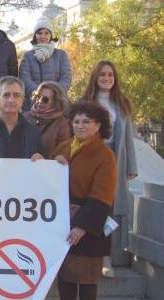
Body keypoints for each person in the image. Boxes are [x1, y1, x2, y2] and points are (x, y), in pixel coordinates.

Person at [52, 101, 117, 300]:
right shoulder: (62, 148)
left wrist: (82, 226)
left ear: (98, 125)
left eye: (86, 122)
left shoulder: (105, 155)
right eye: (76, 121)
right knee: (66, 282)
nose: (80, 125)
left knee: (87, 283)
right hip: (63, 223)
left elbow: (102, 194)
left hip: (89, 226)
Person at [79, 60, 138, 274]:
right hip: (89, 161)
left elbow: (128, 138)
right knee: (89, 206)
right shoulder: (84, 101)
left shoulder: (121, 104)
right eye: (102, 74)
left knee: (110, 210)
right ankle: (86, 254)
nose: (106, 78)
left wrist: (131, 165)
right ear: (95, 77)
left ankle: (106, 258)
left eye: (110, 75)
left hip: (114, 162)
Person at [19, 16, 72, 110]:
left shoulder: (61, 55)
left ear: (51, 35)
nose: (43, 36)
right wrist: (40, 94)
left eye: (46, 33)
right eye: (39, 33)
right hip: (33, 104)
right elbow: (25, 79)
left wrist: (54, 94)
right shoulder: (28, 56)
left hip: (57, 103)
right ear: (35, 35)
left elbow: (66, 78)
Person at [24, 81, 71, 159]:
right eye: (38, 97)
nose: (39, 101)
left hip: (48, 169)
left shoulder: (62, 124)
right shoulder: (25, 118)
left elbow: (63, 153)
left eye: (44, 99)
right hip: (23, 167)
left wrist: (45, 161)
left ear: (56, 102)